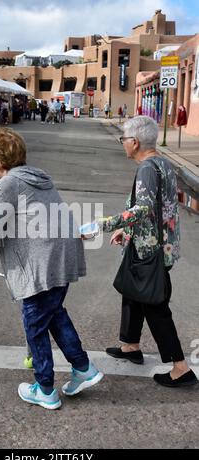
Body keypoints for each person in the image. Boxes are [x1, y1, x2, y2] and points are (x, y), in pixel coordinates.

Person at [0, 127, 103, 410]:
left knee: (35, 324)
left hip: (42, 264)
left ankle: (46, 389)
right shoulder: (37, 177)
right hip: (62, 257)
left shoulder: (9, 182)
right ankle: (83, 368)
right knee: (54, 315)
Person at [98, 116, 198, 388]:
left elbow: (142, 209)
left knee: (155, 305)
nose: (123, 144)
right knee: (133, 292)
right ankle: (130, 345)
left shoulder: (146, 169)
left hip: (149, 250)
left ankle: (180, 367)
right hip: (159, 245)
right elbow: (161, 204)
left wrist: (106, 224)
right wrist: (127, 231)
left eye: (124, 140)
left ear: (135, 142)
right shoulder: (163, 163)